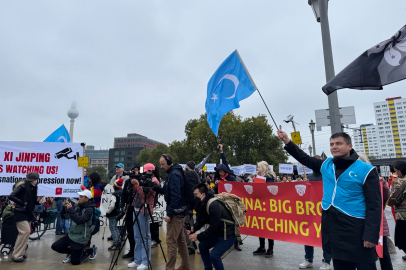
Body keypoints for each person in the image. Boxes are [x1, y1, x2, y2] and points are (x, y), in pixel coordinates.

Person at [278, 130, 381, 270]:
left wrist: (371, 235)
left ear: (350, 146)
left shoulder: (366, 170)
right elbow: (304, 158)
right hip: (333, 226)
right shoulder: (326, 165)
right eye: (331, 144)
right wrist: (287, 141)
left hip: (357, 228)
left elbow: (374, 205)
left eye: (339, 143)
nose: (334, 147)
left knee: (366, 266)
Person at [188, 183, 236, 270]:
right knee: (202, 246)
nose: (194, 197)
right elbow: (202, 221)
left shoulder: (213, 205)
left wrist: (198, 236)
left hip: (227, 235)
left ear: (203, 195)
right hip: (218, 232)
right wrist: (193, 229)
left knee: (214, 256)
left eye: (196, 194)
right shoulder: (202, 203)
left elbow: (213, 227)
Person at [154, 154, 190, 270]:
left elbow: (175, 196)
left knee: (171, 242)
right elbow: (166, 191)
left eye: (163, 164)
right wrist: (153, 187)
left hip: (176, 213)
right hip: (180, 212)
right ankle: (185, 265)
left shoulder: (174, 174)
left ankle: (170, 268)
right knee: (181, 241)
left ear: (169, 162)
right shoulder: (174, 173)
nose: (161, 166)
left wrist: (169, 213)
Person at [298, 155, 332, 270]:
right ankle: (308, 259)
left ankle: (326, 261)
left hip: (325, 212)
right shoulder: (309, 178)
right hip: (311, 212)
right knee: (309, 235)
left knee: (326, 237)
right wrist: (304, 184)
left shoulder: (328, 176)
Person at [128, 163, 160, 269]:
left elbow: (144, 195)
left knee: (145, 237)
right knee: (137, 236)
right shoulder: (143, 179)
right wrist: (133, 183)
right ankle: (137, 259)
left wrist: (138, 184)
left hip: (144, 210)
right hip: (136, 209)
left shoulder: (154, 181)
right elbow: (134, 192)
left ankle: (145, 261)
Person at [51, 190, 95, 265]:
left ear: (87, 198)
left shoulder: (89, 210)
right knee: (55, 246)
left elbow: (79, 220)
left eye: (81, 197)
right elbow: (66, 216)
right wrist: (65, 208)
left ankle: (89, 251)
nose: (79, 198)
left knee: (75, 262)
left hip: (81, 238)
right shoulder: (77, 206)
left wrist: (71, 210)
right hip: (71, 234)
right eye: (79, 196)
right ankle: (73, 252)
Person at [9, 172, 40, 263]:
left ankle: (20, 253)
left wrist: (37, 201)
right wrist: (22, 202)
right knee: (25, 232)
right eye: (34, 180)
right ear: (30, 180)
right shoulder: (22, 187)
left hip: (27, 212)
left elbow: (31, 200)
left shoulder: (34, 187)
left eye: (36, 179)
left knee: (26, 233)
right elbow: (11, 196)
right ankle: (16, 255)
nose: (35, 181)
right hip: (20, 212)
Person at [252, 161, 276, 258]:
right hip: (260, 205)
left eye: (259, 168)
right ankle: (262, 247)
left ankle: (270, 248)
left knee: (269, 227)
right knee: (261, 226)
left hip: (268, 206)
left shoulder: (270, 178)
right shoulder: (260, 177)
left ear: (263, 168)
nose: (257, 169)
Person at [121, 163, 140, 259]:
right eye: (133, 170)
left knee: (138, 230)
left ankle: (138, 252)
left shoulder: (141, 181)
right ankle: (132, 250)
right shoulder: (128, 182)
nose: (134, 172)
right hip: (129, 207)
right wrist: (122, 205)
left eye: (137, 170)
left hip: (138, 208)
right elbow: (123, 194)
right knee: (129, 230)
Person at [388, 160, 406, 261]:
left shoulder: (402, 183)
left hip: (403, 216)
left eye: (396, 171)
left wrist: (393, 187)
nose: (396, 174)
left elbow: (393, 200)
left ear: (400, 170)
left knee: (401, 239)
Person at [184, 160, 200, 255]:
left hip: (189, 204)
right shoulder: (196, 175)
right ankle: (192, 244)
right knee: (190, 225)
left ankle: (191, 245)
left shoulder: (189, 175)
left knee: (188, 225)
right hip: (194, 203)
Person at [106, 178, 124, 251]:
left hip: (113, 213)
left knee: (113, 228)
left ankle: (116, 244)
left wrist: (107, 212)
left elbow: (112, 205)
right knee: (116, 228)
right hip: (119, 213)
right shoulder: (123, 192)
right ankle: (118, 242)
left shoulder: (115, 194)